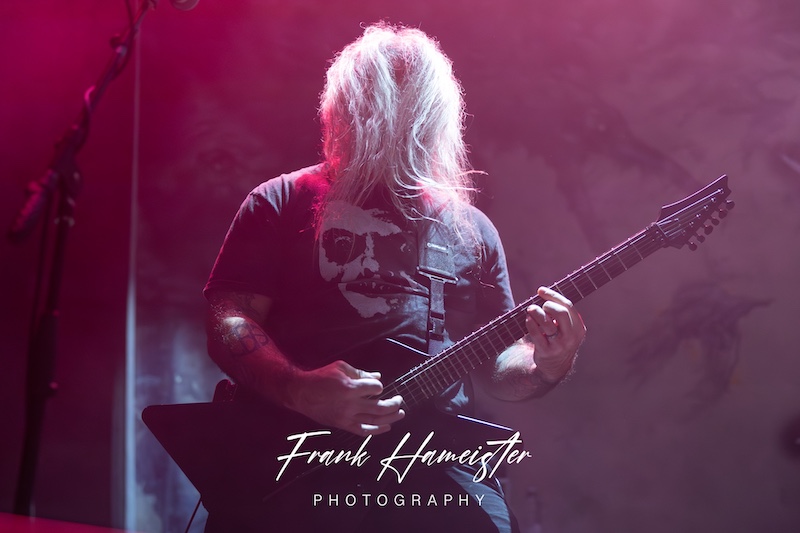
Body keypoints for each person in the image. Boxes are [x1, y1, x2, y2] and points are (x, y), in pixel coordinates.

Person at [203, 23, 585, 532]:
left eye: (411, 103)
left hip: (429, 460)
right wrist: (298, 389)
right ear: (348, 108)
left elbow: (497, 369)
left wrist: (547, 362)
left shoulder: (470, 229)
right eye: (383, 99)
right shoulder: (279, 201)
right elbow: (228, 319)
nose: (395, 118)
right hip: (292, 461)